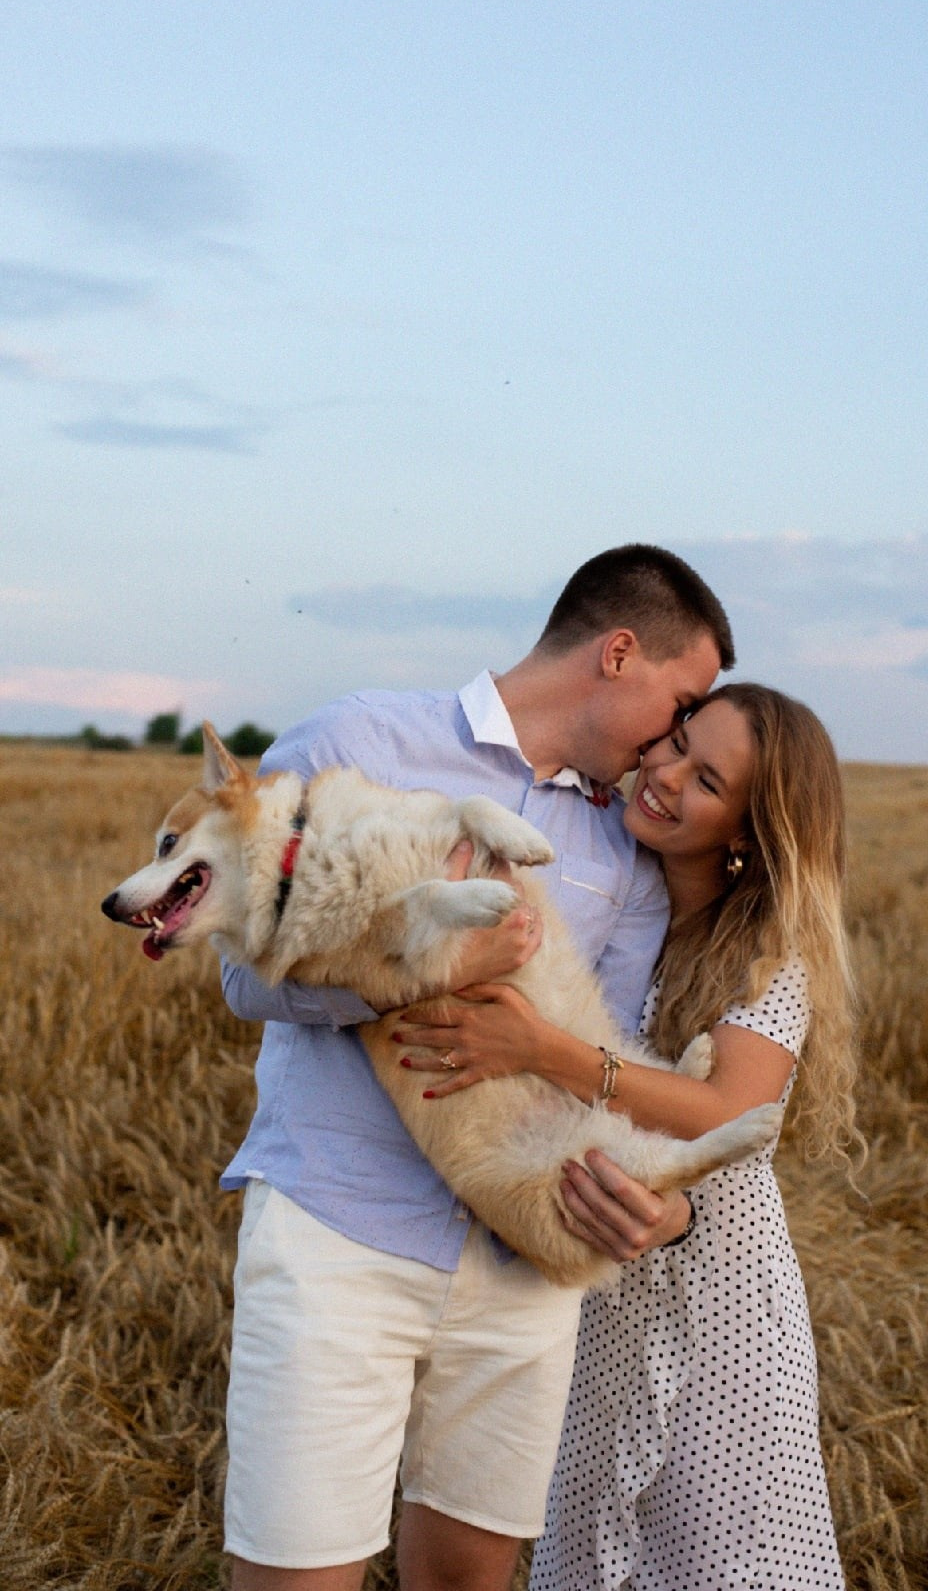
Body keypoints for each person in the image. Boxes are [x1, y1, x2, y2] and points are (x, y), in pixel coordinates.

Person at [218, 544, 732, 1591]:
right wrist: (410, 976)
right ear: (618, 652)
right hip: (337, 1233)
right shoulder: (359, 737)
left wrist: (661, 1205)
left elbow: (609, 1063)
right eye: (679, 703)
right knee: (293, 1575)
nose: (670, 742)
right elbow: (246, 980)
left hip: (517, 1273)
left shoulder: (620, 849)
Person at [393, 683, 859, 1590]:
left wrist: (545, 1049)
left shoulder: (765, 950)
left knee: (721, 1555)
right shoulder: (613, 896)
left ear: (746, 831)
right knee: (597, 1543)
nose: (667, 773)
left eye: (708, 778)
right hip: (600, 1280)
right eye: (678, 740)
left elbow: (733, 1115)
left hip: (716, 1295)